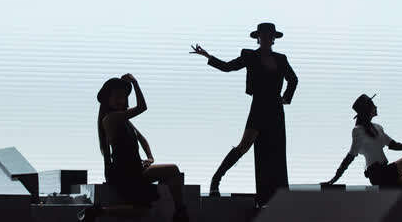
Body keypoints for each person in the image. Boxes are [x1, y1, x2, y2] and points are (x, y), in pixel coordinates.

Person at [190, 22, 298, 207]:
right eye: (263, 35)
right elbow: (228, 67)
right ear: (258, 38)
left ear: (273, 39)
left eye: (269, 36)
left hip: (275, 109)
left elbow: (293, 79)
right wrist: (208, 56)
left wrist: (286, 98)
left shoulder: (281, 59)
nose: (266, 39)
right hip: (259, 106)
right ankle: (216, 179)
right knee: (245, 144)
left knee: (276, 151)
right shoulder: (250, 56)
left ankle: (274, 197)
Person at [94, 74, 190, 222]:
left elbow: (142, 139)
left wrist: (150, 158)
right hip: (123, 172)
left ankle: (180, 213)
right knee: (142, 209)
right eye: (116, 96)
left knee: (172, 171)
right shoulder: (110, 118)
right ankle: (99, 211)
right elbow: (142, 107)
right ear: (107, 99)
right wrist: (135, 83)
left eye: (123, 96)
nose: (121, 100)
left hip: (135, 168)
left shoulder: (124, 120)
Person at [323, 93, 402, 193]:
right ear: (367, 109)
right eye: (373, 105)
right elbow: (349, 157)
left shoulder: (378, 128)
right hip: (378, 175)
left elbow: (396, 145)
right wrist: (334, 179)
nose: (376, 107)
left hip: (387, 172)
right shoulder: (358, 131)